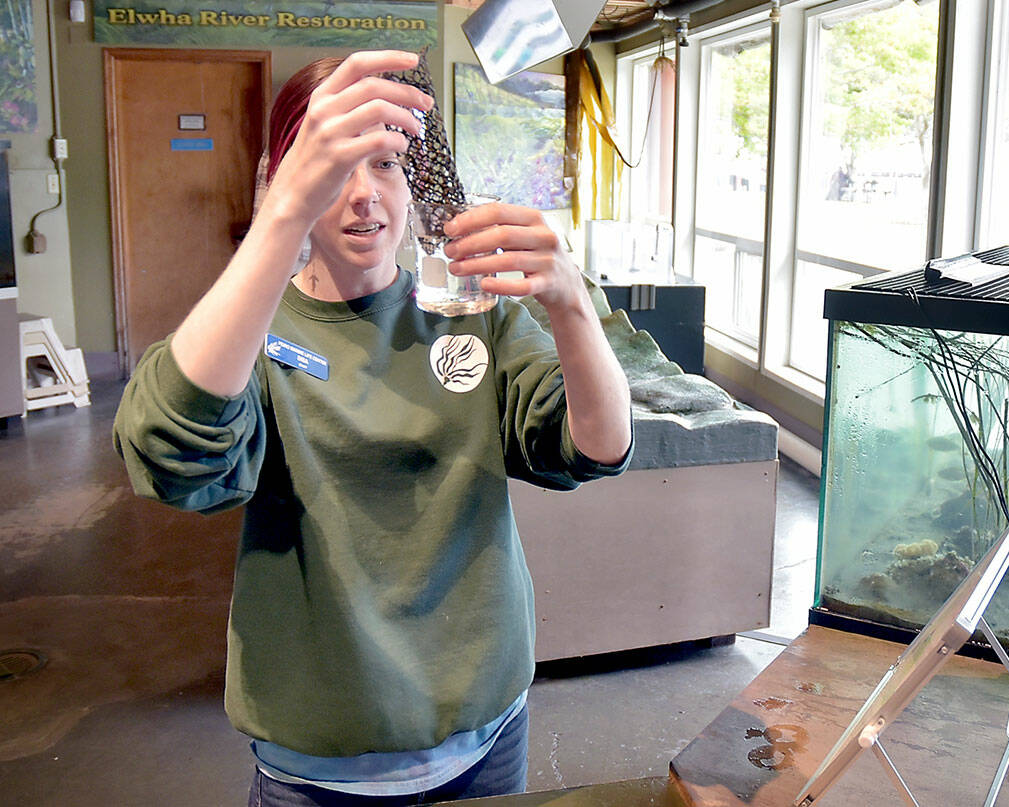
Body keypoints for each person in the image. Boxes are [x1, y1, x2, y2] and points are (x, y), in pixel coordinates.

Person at [112, 50, 633, 807]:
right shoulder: (250, 334)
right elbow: (173, 453)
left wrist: (571, 302)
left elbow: (597, 445)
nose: (364, 198)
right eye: (331, 168)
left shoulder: (473, 313)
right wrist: (280, 216)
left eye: (387, 164)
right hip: (320, 759)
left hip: (487, 732)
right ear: (282, 179)